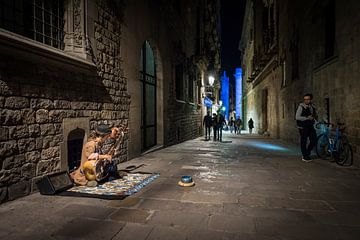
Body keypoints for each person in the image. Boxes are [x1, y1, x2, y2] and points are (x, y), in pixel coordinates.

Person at [296, 93, 317, 162]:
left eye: (308, 99)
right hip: (302, 126)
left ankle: (307, 153)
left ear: (310, 100)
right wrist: (307, 118)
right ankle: (305, 156)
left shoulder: (312, 107)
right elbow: (297, 117)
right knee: (304, 141)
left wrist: (315, 120)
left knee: (314, 140)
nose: (306, 101)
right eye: (305, 99)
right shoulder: (301, 107)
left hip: (310, 126)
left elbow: (314, 115)